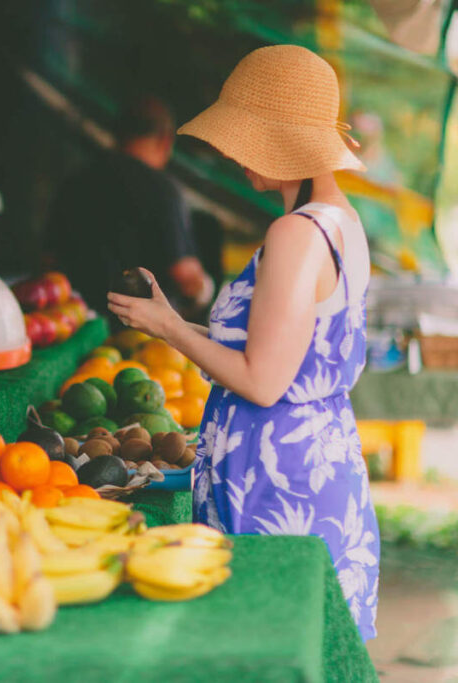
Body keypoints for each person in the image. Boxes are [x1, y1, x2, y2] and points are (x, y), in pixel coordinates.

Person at [108, 45, 379, 640]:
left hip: (276, 479)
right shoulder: (341, 222)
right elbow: (286, 352)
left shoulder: (294, 233)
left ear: (286, 143)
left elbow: (262, 380)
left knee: (266, 650)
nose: (230, 153)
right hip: (318, 466)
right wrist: (177, 321)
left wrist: (172, 330)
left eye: (247, 138)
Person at [45, 96, 214, 321]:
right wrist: (205, 291)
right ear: (166, 140)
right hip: (143, 333)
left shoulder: (75, 182)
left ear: (117, 134)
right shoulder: (163, 189)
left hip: (79, 322)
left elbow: (48, 261)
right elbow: (184, 274)